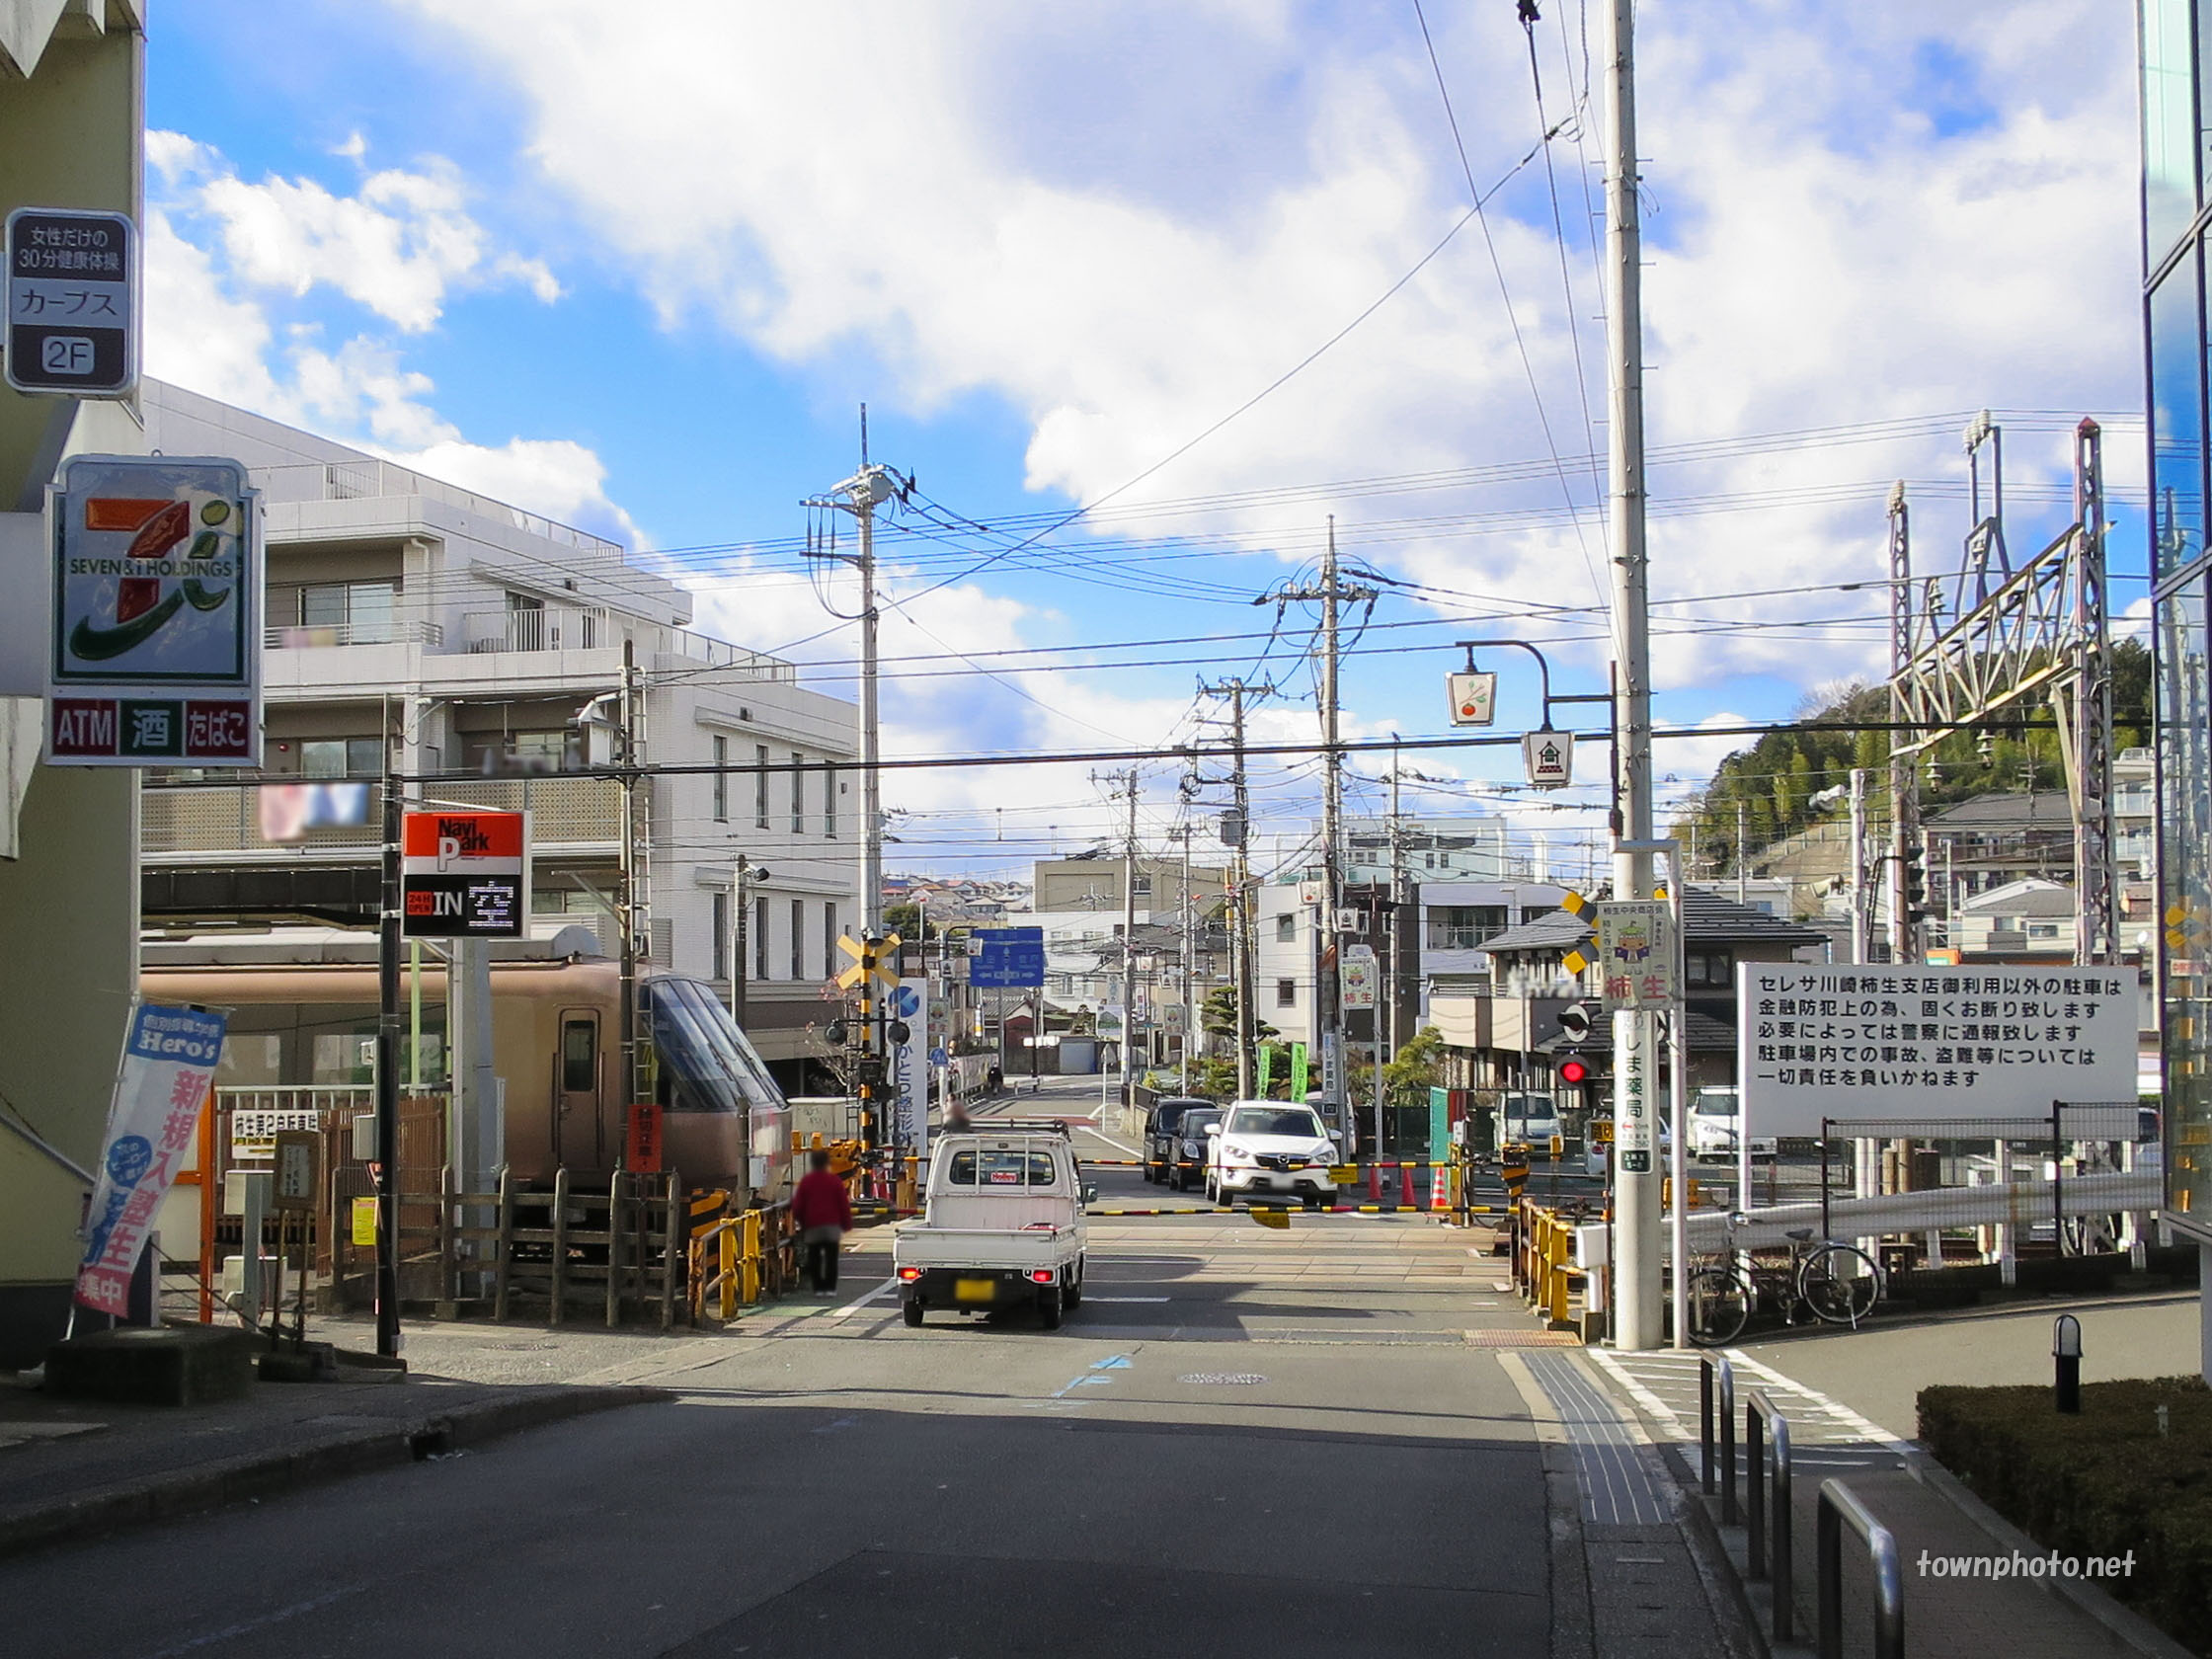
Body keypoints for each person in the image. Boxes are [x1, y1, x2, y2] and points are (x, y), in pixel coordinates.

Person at [790, 1149, 854, 1295]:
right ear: (827, 1163)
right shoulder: (835, 1181)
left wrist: (801, 1221)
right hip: (832, 1225)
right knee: (831, 1257)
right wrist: (846, 1223)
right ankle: (830, 1287)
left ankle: (819, 1287)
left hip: (812, 1225)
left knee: (815, 1256)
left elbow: (798, 1205)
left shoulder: (807, 1181)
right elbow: (843, 1204)